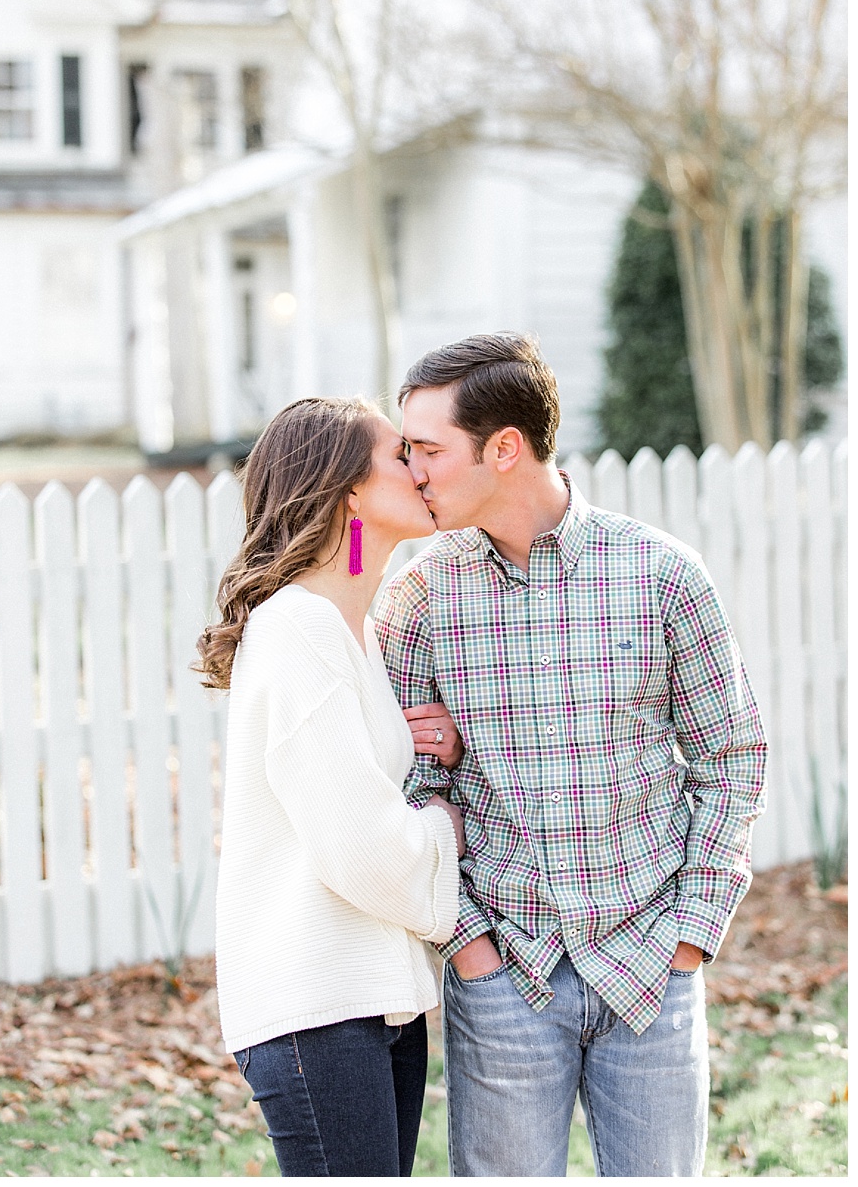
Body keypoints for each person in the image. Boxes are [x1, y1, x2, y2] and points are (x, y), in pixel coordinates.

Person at [376, 332, 766, 1176]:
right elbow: (410, 783)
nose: (412, 471)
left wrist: (689, 938)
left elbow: (731, 755)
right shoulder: (416, 596)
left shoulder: (663, 574)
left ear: (505, 449)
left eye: (429, 449)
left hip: (650, 966)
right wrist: (471, 950)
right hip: (505, 975)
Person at [199, 396, 468, 1177]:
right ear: (350, 490)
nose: (419, 470)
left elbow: (347, 788)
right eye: (398, 456)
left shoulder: (353, 625)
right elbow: (361, 846)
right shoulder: (300, 627)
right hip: (320, 1008)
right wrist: (441, 825)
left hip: (378, 1000)